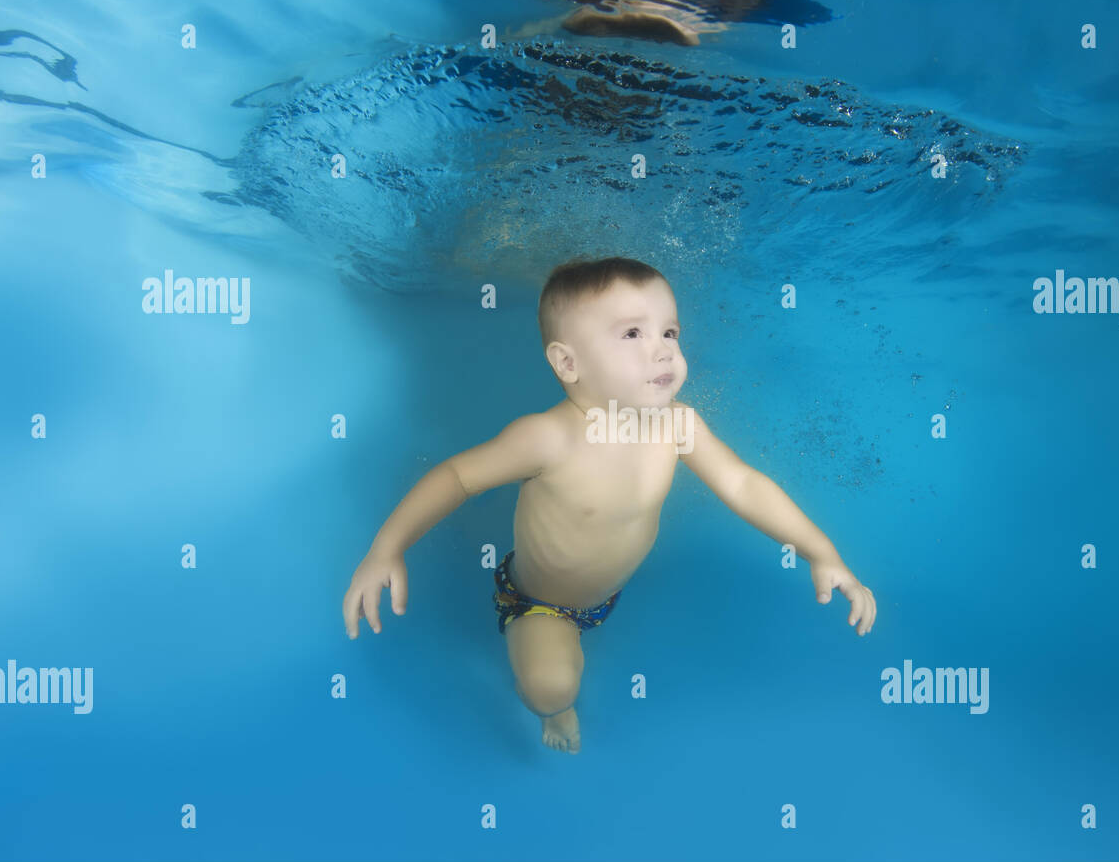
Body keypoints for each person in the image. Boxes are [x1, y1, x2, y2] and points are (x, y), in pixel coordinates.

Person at [342, 256, 876, 753]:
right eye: (633, 334)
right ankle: (555, 713)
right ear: (568, 362)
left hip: (610, 590)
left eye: (670, 331)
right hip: (540, 602)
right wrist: (386, 548)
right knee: (550, 689)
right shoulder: (548, 438)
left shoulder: (679, 426)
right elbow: (457, 477)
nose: (663, 349)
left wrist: (820, 551)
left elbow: (742, 485)